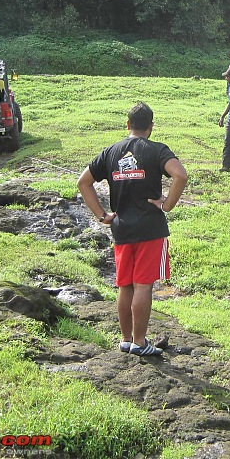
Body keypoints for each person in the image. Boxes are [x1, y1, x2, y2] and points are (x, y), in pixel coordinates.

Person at [77, 102, 187, 356]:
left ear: (128, 125)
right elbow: (180, 175)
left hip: (121, 228)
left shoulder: (110, 152)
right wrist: (167, 205)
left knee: (125, 285)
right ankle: (139, 343)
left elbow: (84, 182)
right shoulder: (158, 150)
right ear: (151, 127)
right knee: (143, 285)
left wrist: (102, 215)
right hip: (150, 229)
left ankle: (126, 340)